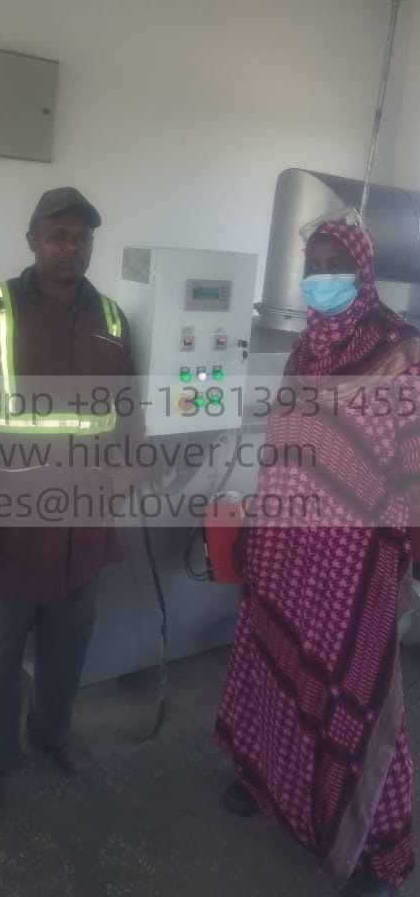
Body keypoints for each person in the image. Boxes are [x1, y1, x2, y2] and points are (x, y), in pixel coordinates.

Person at [215, 210, 419, 897]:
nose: (322, 277)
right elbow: (282, 443)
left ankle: (370, 848)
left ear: (363, 271)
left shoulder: (400, 352)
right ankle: (263, 779)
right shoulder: (305, 351)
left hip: (352, 561)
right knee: (270, 661)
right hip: (284, 543)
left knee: (357, 695)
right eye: (314, 265)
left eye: (337, 264)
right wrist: (255, 517)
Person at [0, 187, 143, 789]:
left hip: (83, 522)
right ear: (32, 239)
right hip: (9, 523)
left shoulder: (112, 318)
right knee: (2, 655)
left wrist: (131, 465)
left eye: (82, 238)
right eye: (58, 235)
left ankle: (53, 734)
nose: (71, 247)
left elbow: (128, 407)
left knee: (68, 645)